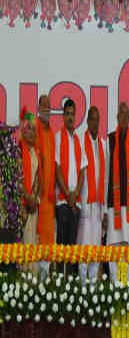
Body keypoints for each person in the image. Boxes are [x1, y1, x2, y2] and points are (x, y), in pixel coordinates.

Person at [55, 99, 88, 276]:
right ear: (63, 116)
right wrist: (68, 195)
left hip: (76, 202)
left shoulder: (78, 139)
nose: (70, 117)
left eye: (72, 114)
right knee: (61, 246)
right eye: (67, 114)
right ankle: (59, 283)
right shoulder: (57, 137)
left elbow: (83, 170)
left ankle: (70, 285)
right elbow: (57, 169)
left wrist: (75, 195)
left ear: (75, 116)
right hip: (62, 201)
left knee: (73, 247)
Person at [106, 102, 129, 282]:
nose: (124, 117)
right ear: (117, 117)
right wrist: (105, 207)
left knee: (127, 248)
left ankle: (124, 285)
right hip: (114, 205)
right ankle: (114, 285)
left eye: (127, 115)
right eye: (121, 114)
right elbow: (106, 175)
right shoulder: (110, 140)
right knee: (114, 247)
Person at [78, 107, 107, 281]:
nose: (95, 123)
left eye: (98, 119)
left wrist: (105, 210)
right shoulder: (81, 142)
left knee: (96, 249)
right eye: (92, 119)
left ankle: (93, 286)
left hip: (98, 206)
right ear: (88, 121)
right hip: (85, 204)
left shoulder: (103, 144)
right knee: (84, 249)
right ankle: (82, 286)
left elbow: (106, 178)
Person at [36, 95, 55, 277]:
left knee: (48, 238)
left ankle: (44, 278)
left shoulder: (51, 131)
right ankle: (33, 280)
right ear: (38, 107)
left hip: (49, 196)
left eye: (48, 106)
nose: (46, 108)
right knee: (36, 236)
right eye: (43, 105)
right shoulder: (33, 128)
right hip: (37, 195)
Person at [20, 109, 41, 274]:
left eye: (34, 129)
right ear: (23, 130)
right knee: (21, 245)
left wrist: (34, 199)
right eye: (30, 129)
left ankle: (31, 282)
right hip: (20, 208)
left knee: (32, 242)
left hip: (33, 207)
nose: (33, 132)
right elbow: (15, 180)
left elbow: (38, 180)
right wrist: (27, 198)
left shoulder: (36, 153)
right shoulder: (17, 151)